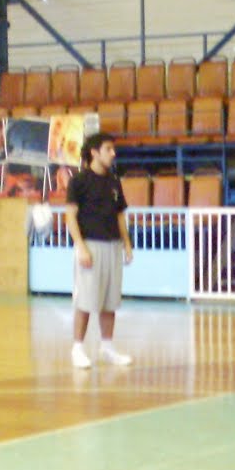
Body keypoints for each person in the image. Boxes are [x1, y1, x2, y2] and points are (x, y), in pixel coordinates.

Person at [67, 132, 133, 369]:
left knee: (109, 301)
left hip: (112, 246)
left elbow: (120, 215)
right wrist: (81, 248)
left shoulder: (114, 181)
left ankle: (107, 347)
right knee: (85, 300)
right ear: (95, 152)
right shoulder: (79, 181)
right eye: (108, 149)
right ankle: (77, 348)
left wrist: (126, 243)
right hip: (90, 246)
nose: (113, 153)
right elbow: (70, 217)